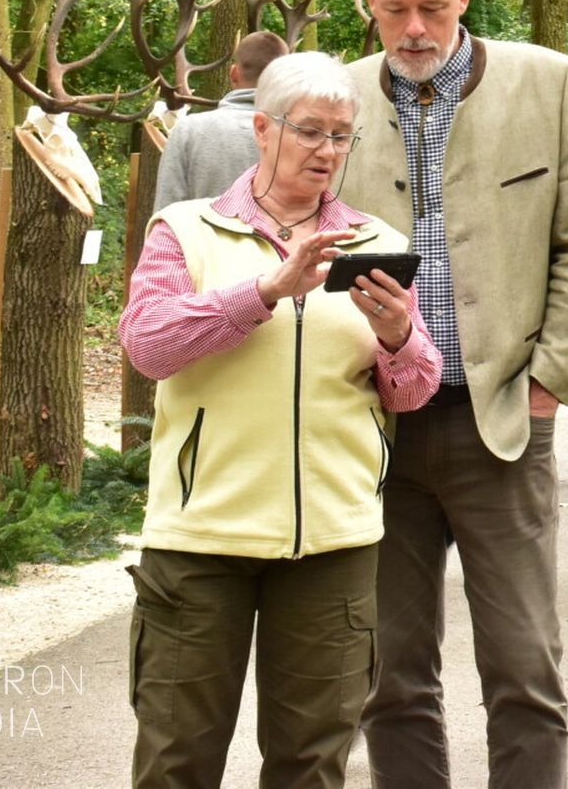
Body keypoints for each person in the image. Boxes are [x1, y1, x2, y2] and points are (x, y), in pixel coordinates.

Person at [119, 51, 441, 789]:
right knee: (175, 761)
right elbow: (149, 345)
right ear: (262, 129)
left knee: (312, 766)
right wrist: (264, 290)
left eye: (342, 135)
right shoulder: (185, 231)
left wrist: (397, 337)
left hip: (334, 543)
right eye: (310, 132)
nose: (327, 151)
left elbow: (414, 390)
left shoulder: (376, 243)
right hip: (201, 542)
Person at [347, 0, 568, 789]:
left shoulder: (549, 82)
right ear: (370, 4)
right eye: (395, 10)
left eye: (432, 7)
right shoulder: (340, 97)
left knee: (525, 670)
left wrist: (549, 384)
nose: (414, 28)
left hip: (502, 421)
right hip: (373, 434)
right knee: (390, 678)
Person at [151, 30, 287, 211]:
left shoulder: (189, 130)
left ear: (233, 74)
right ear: (283, 80)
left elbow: (164, 216)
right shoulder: (302, 135)